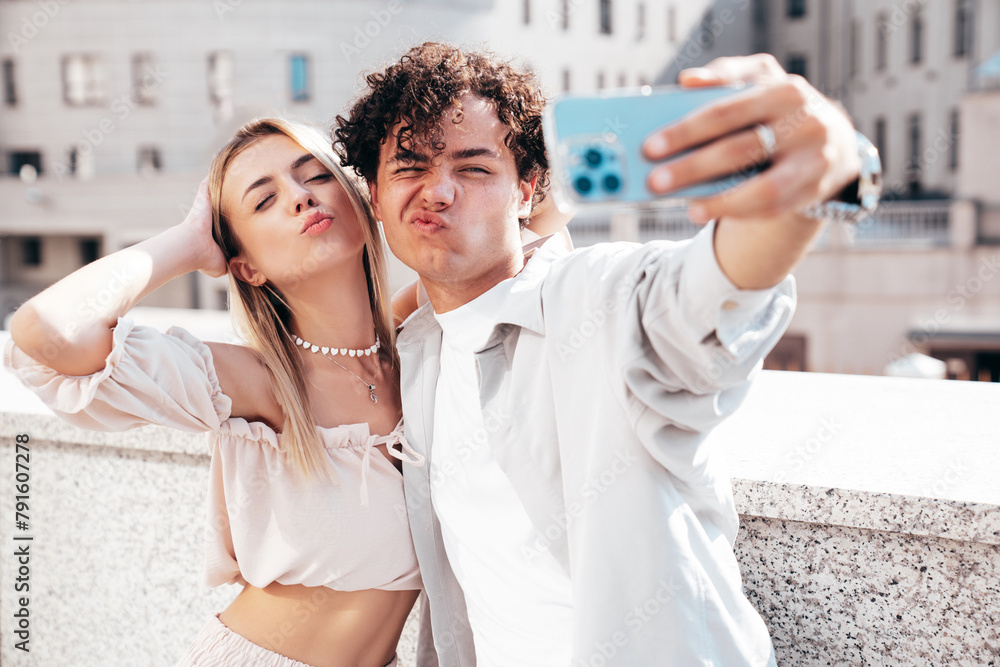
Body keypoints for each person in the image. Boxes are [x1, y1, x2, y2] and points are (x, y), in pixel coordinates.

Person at [336, 43, 865, 665]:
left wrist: (809, 177)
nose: (438, 192)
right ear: (374, 196)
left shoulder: (591, 303)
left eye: (475, 168)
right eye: (410, 168)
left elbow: (702, 296)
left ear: (527, 191)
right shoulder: (418, 349)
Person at [4, 118, 425, 667]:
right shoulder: (258, 381)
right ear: (245, 266)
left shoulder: (418, 342)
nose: (300, 198)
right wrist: (186, 244)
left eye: (315, 176)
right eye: (264, 200)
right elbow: (47, 333)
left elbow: (528, 222)